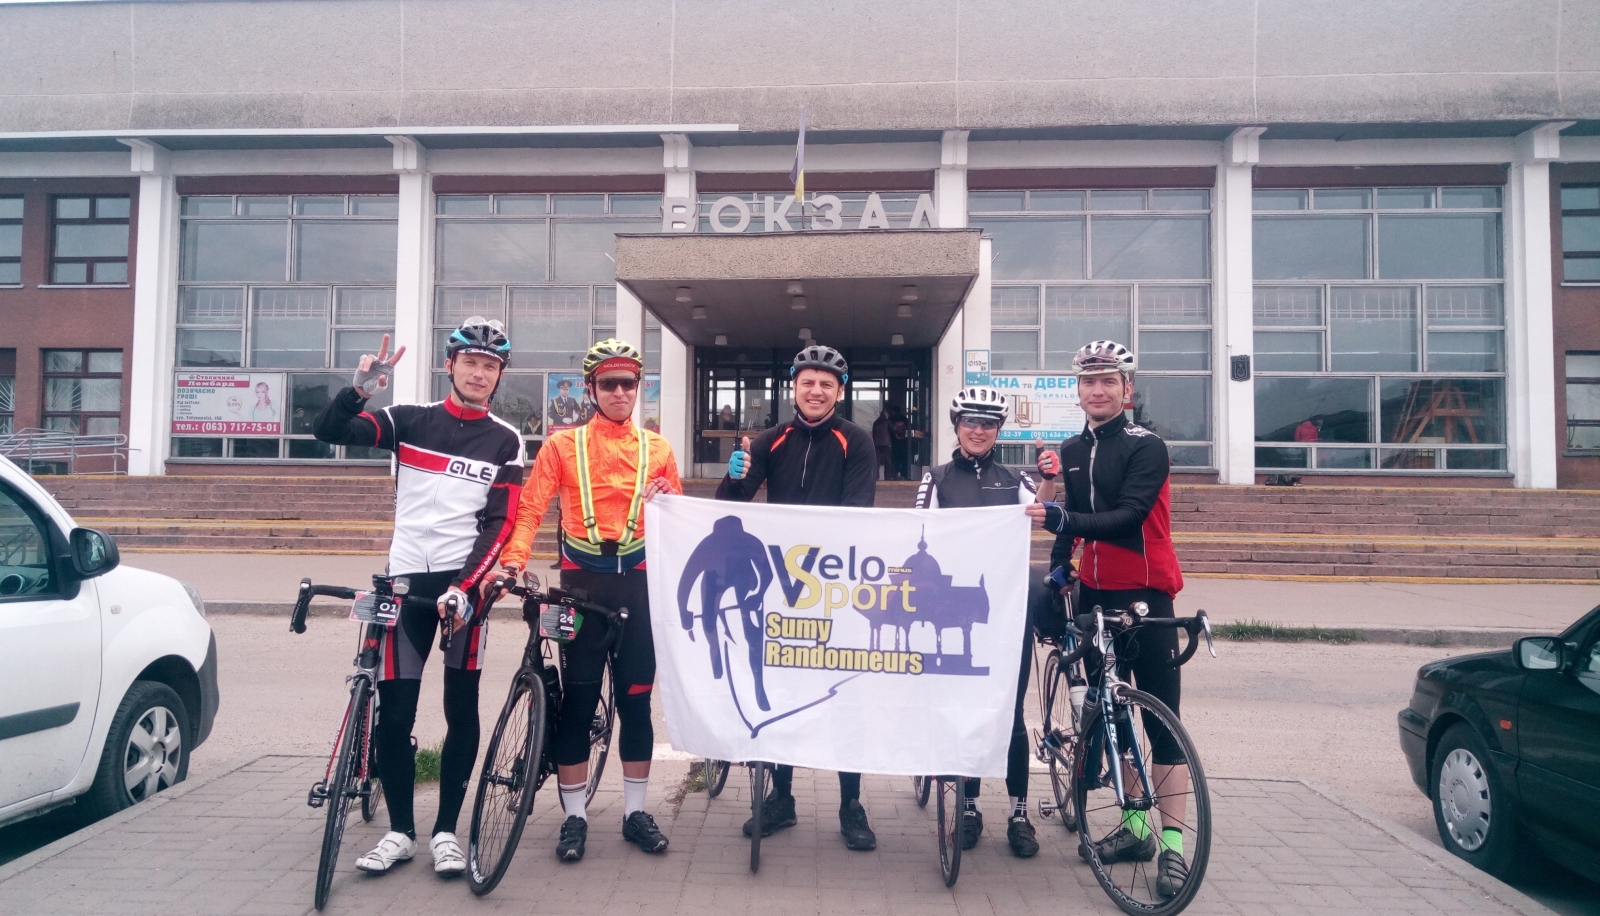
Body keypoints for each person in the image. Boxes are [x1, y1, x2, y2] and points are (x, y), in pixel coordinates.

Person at [312, 319, 524, 878]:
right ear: (450, 365)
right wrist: (358, 391)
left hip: (461, 590)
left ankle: (447, 832)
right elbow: (328, 431)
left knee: (461, 709)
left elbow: (500, 524)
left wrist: (465, 586)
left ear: (499, 375)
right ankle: (401, 832)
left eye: (490, 366)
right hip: (404, 584)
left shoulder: (505, 440)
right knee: (395, 711)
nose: (479, 373)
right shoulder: (408, 420)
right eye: (470, 362)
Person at [497, 338, 681, 863]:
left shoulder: (659, 448)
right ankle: (574, 817)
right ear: (590, 388)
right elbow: (530, 509)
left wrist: (669, 500)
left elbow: (681, 521)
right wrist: (512, 562)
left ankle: (635, 813)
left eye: (629, 383)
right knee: (578, 705)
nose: (620, 392)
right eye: (609, 383)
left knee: (636, 704)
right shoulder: (562, 446)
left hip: (637, 589)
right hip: (580, 589)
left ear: (638, 388)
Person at [1024, 339, 1191, 900]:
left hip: (1146, 595)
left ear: (1127, 389)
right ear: (1078, 390)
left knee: (1161, 723)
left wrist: (1060, 518)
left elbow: (1127, 518)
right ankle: (1137, 828)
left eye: (1108, 381)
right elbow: (1072, 521)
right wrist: (1056, 570)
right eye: (1088, 382)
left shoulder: (1148, 446)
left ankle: (1173, 845)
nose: (1097, 391)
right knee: (1114, 715)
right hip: (1093, 596)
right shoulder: (1073, 448)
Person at [717, 344, 880, 851]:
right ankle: (782, 798)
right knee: (782, 692)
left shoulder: (856, 440)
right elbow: (729, 507)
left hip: (835, 586)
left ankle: (850, 804)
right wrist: (734, 475)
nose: (816, 391)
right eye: (808, 382)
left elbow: (857, 512)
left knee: (844, 696)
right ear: (794, 387)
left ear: (839, 392)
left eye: (826, 384)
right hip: (781, 588)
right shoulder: (772, 439)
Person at [914, 386, 1060, 858]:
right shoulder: (935, 478)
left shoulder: (1014, 476)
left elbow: (1040, 513)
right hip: (953, 610)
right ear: (956, 426)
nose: (978, 431)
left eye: (988, 424)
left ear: (998, 430)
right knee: (965, 711)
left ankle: (1019, 814)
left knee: (1011, 713)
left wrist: (1049, 480)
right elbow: (915, 532)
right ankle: (970, 807)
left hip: (1004, 610)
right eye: (970, 422)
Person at [872, 410, 893, 480]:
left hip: (876, 443)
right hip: (886, 443)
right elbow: (894, 429)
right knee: (888, 460)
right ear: (885, 415)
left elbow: (873, 433)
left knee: (876, 460)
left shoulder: (875, 422)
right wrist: (902, 431)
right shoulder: (887, 421)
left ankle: (876, 477)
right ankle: (887, 477)